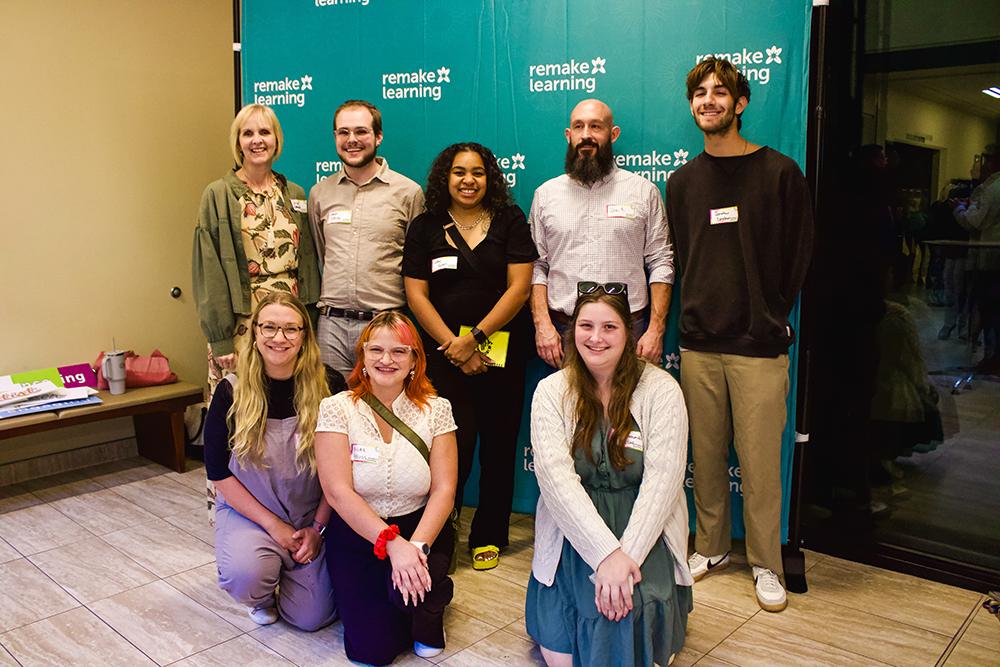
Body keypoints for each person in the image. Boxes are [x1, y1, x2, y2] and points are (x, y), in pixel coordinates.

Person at [665, 57, 814, 612]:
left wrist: (773, 312)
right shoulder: (681, 183)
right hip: (700, 345)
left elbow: (800, 253)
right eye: (699, 93)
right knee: (703, 458)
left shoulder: (780, 173)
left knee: (757, 465)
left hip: (758, 346)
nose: (709, 101)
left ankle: (765, 563)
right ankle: (709, 548)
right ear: (692, 106)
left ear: (740, 102)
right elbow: (680, 259)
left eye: (720, 92)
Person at [526, 285, 692, 667]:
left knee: (640, 647)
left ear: (629, 333)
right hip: (575, 528)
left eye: (609, 327)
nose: (596, 338)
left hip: (643, 527)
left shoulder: (662, 389)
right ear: (572, 332)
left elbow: (663, 482)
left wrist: (625, 558)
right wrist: (605, 556)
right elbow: (556, 483)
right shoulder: (550, 392)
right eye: (586, 325)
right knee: (562, 660)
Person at [403, 142, 538, 570]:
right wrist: (453, 346)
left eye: (477, 172)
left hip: (501, 352)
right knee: (449, 448)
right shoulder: (426, 227)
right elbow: (415, 294)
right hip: (443, 357)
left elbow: (520, 288)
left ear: (490, 178)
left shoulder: (510, 221)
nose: (468, 180)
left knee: (498, 447)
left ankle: (489, 534)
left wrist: (475, 338)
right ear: (446, 178)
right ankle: (442, 531)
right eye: (459, 172)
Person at [316, 312, 458, 665]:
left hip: (421, 531)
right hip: (358, 536)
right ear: (362, 356)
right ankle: (407, 603)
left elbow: (443, 489)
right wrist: (391, 545)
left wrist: (416, 549)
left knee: (424, 635)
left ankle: (428, 610)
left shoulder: (437, 410)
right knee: (372, 652)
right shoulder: (336, 408)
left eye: (399, 351)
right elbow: (337, 491)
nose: (386, 359)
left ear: (414, 360)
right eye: (376, 349)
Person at [203, 291, 338, 630]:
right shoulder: (230, 392)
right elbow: (219, 474)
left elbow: (343, 471)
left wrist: (318, 529)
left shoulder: (330, 386)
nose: (280, 338)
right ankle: (261, 593)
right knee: (247, 574)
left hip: (310, 515)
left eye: (291, 329)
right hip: (251, 514)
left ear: (305, 336)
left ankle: (292, 575)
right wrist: (274, 527)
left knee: (313, 618)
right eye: (269, 327)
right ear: (255, 333)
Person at [529, 98, 674, 369]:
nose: (586, 135)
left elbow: (661, 263)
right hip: (563, 334)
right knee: (566, 411)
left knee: (630, 411)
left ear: (613, 134)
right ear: (568, 135)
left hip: (631, 330)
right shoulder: (545, 195)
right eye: (579, 127)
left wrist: (655, 329)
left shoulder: (644, 192)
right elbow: (537, 266)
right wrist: (542, 325)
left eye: (596, 126)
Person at [193, 103, 321, 393]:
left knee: (290, 406)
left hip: (290, 327)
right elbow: (209, 271)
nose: (257, 140)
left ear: (276, 139)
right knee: (241, 408)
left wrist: (309, 322)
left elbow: (308, 263)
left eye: (265, 132)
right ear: (238, 142)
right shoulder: (218, 194)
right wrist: (221, 339)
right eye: (247, 133)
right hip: (241, 326)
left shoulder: (295, 194)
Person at [308, 100, 425, 378]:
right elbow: (321, 252)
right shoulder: (320, 193)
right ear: (335, 137)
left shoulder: (408, 193)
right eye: (343, 132)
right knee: (332, 410)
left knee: (385, 410)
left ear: (378, 136)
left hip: (387, 323)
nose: (352, 140)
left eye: (361, 131)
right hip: (331, 327)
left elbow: (416, 262)